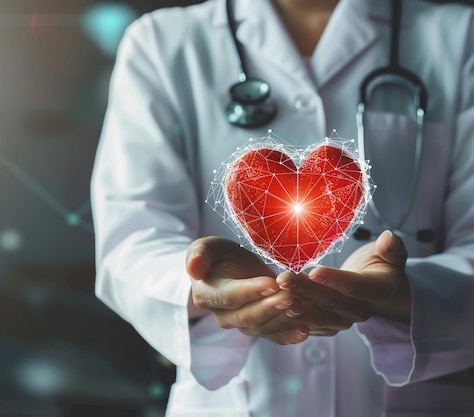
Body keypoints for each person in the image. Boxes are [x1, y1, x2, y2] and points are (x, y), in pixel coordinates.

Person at [90, 0, 474, 415]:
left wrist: (401, 293)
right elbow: (132, 240)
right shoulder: (162, 43)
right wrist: (203, 287)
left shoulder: (460, 36)